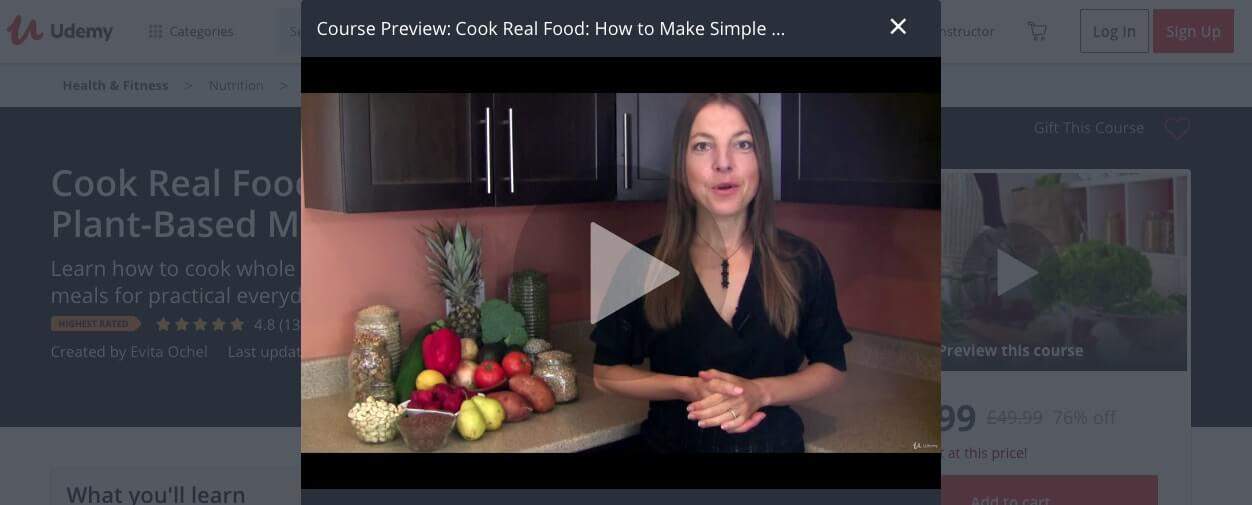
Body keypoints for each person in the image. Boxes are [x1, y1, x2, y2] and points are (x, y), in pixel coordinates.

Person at [591, 93, 852, 453]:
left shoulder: (802, 261)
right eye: (702, 146)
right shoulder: (638, 263)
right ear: (682, 164)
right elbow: (606, 375)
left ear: (761, 159)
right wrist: (687, 387)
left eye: (742, 144)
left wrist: (760, 392)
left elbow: (832, 367)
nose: (723, 163)